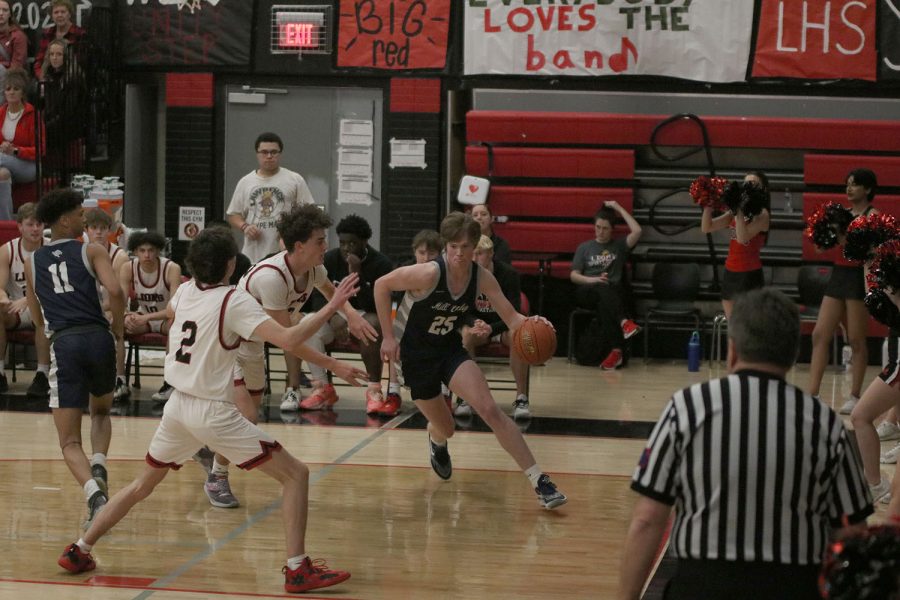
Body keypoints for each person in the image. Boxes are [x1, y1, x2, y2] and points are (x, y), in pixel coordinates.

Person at [57, 227, 353, 594]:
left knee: (139, 486)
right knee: (296, 475)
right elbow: (290, 339)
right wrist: (332, 304)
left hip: (177, 407)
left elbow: (174, 313)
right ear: (231, 264)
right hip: (212, 410)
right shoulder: (234, 300)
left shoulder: (183, 291)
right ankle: (297, 569)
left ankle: (80, 548)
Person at [619, 288, 873, 600]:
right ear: (793, 355)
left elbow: (647, 519)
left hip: (703, 585)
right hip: (794, 586)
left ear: (732, 350)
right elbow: (853, 531)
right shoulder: (826, 422)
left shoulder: (686, 407)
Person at [374, 211, 567, 509]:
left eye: (465, 247)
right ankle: (437, 441)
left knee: (490, 410)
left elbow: (513, 318)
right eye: (453, 246)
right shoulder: (428, 273)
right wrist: (387, 337)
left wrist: (534, 322)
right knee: (447, 428)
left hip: (448, 348)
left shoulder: (481, 277)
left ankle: (540, 480)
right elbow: (380, 285)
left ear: (475, 248)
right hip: (414, 356)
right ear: (445, 246)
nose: (458, 253)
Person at [204, 205, 372, 509]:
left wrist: (352, 317)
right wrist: (335, 365)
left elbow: (331, 291)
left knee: (245, 411)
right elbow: (289, 342)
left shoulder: (312, 268)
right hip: (230, 344)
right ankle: (217, 474)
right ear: (299, 246)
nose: (327, 246)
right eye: (320, 241)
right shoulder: (272, 278)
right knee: (247, 416)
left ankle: (206, 440)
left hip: (254, 345)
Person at [24, 188, 124, 529]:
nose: (85, 219)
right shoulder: (92, 250)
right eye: (80, 214)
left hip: (65, 342)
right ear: (64, 220)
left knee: (68, 441)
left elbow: (37, 318)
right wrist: (120, 329)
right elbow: (115, 291)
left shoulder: (32, 261)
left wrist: (52, 329)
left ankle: (94, 494)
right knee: (101, 410)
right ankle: (99, 462)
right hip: (98, 338)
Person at [304, 214, 394, 415]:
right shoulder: (328, 259)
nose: (346, 248)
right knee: (308, 324)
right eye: (343, 243)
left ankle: (374, 389)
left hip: (363, 314)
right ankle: (322, 387)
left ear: (364, 242)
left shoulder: (381, 264)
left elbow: (375, 306)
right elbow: (318, 298)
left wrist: (357, 274)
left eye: (352, 243)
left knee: (372, 323)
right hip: (335, 313)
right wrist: (333, 318)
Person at [809, 169, 878, 414]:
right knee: (819, 334)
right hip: (839, 275)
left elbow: (867, 251)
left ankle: (855, 395)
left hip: (858, 278)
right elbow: (819, 249)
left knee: (857, 340)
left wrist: (843, 237)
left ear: (868, 189)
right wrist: (820, 231)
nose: (849, 189)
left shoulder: (873, 215)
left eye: (855, 185)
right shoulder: (841, 215)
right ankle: (813, 394)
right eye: (847, 184)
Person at [454, 235, 530, 420]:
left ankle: (522, 397)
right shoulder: (464, 274)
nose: (475, 258)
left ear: (491, 254)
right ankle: (466, 397)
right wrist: (475, 324)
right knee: (465, 334)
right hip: (479, 327)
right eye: (473, 254)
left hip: (501, 326)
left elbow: (514, 313)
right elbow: (462, 310)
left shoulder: (508, 274)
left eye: (480, 254)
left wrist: (491, 328)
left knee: (518, 335)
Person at [570, 201, 642, 370]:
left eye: (605, 228)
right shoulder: (585, 247)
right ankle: (624, 321)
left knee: (605, 303)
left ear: (612, 230)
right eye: (598, 227)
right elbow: (573, 275)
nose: (600, 232)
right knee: (603, 289)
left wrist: (617, 207)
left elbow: (638, 231)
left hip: (610, 292)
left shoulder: (618, 246)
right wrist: (593, 280)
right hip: (587, 290)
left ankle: (616, 350)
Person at [226, 132, 314, 264]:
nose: (269, 156)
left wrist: (292, 232)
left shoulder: (294, 180)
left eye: (274, 152)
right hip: (253, 255)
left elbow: (309, 212)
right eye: (264, 152)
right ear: (257, 154)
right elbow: (233, 215)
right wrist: (245, 227)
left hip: (285, 253)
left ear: (280, 154)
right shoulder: (246, 182)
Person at [115, 231, 181, 403]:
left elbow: (173, 309)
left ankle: (170, 382)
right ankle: (120, 381)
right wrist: (126, 315)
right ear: (135, 252)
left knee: (175, 329)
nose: (147, 255)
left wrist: (145, 318)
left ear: (158, 251)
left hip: (167, 318)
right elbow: (120, 300)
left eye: (151, 250)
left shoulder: (171, 268)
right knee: (117, 327)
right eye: (142, 250)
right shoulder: (128, 268)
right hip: (145, 318)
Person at [700, 171, 771, 319]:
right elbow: (707, 227)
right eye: (746, 184)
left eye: (753, 184)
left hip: (750, 274)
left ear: (762, 190)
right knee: (733, 330)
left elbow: (741, 237)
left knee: (749, 327)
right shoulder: (735, 212)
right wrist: (708, 204)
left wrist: (738, 210)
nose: (748, 187)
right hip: (731, 271)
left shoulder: (763, 215)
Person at [0, 202, 51, 397]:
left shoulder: (51, 249)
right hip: (17, 310)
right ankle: (0, 372)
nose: (36, 229)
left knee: (42, 311)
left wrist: (27, 301)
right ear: (20, 226)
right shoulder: (7, 250)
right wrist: (4, 298)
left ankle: (42, 374)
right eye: (30, 224)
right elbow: (0, 287)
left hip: (46, 309)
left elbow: (53, 290)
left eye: (39, 224)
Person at [40, 38, 87, 173]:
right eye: (52, 54)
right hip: (53, 121)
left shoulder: (73, 78)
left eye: (59, 54)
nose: (54, 58)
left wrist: (46, 126)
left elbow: (69, 111)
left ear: (66, 57)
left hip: (69, 125)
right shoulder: (48, 76)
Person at [0, 68, 41, 221]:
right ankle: (5, 223)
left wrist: (15, 150)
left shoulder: (32, 115)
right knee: (2, 175)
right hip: (5, 163)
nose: (11, 92)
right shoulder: (0, 113)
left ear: (22, 93)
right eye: (8, 89)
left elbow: (40, 150)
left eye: (16, 89)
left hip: (28, 165)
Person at [33, 0, 85, 81]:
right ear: (52, 16)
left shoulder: (80, 34)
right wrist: (41, 76)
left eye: (63, 12)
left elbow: (83, 63)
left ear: (69, 14)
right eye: (56, 12)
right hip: (49, 78)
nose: (59, 15)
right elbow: (39, 61)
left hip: (72, 80)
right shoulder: (47, 33)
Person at [0, 0, 27, 82]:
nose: (1, 13)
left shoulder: (18, 36)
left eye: (5, 10)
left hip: (8, 81)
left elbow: (16, 67)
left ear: (10, 14)